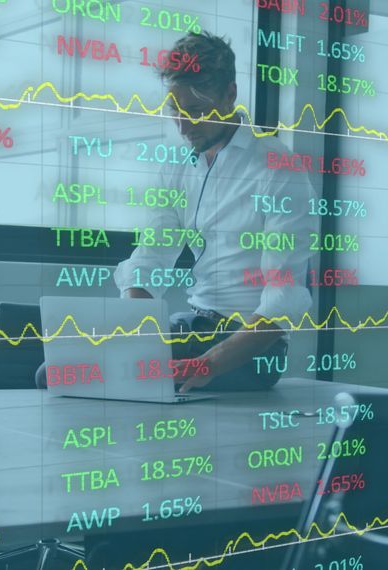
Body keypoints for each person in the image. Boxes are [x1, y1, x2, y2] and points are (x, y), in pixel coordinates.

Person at [114, 31, 319, 393]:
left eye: (195, 111)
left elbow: (285, 297)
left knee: (86, 373)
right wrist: (135, 333)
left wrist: (208, 363)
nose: (183, 126)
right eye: (175, 111)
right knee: (65, 360)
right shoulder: (176, 168)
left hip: (250, 348)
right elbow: (150, 259)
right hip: (194, 324)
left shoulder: (277, 167)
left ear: (230, 95)